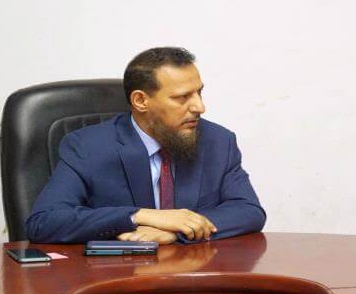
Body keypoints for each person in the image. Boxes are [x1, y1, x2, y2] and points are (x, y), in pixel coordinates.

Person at [26, 47, 266, 244]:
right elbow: (44, 222)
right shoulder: (87, 147)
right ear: (140, 101)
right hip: (121, 277)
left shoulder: (218, 141)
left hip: (194, 275)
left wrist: (176, 232)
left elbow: (248, 211)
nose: (199, 107)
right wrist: (141, 216)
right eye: (182, 97)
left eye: (199, 93)